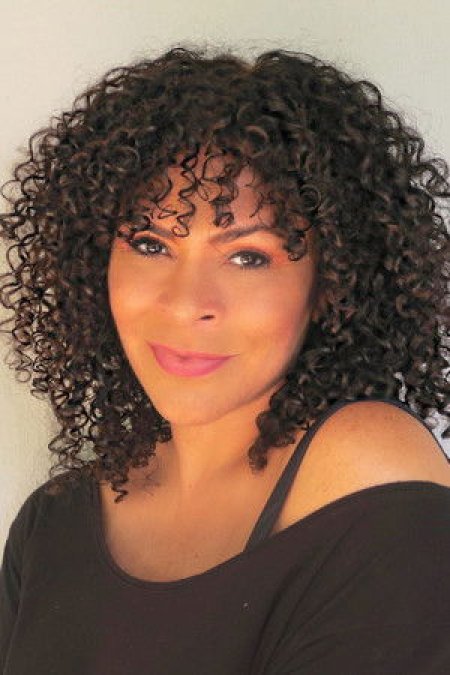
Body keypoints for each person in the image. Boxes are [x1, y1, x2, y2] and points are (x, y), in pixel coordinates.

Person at [0, 44, 450, 674]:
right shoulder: (53, 524)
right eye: (150, 244)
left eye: (247, 257)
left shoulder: (369, 463)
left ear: (332, 284)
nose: (187, 304)